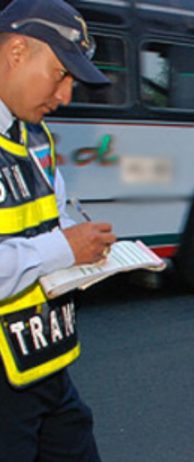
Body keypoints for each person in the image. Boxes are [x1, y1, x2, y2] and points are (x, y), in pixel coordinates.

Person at [0, 0, 116, 460]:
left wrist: (87, 246)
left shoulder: (35, 136)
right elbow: (52, 244)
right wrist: (64, 248)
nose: (65, 95)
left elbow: (52, 215)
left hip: (42, 367)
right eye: (60, 74)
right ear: (16, 52)